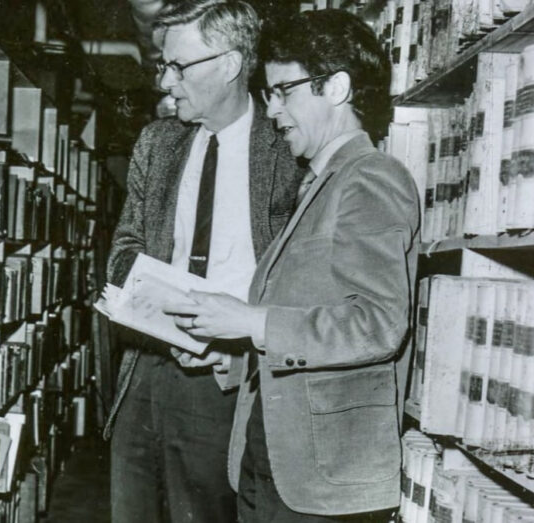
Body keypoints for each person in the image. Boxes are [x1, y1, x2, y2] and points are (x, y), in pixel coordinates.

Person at [164, 9, 420, 521]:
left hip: (323, 478)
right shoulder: (317, 182)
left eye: (285, 91)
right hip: (274, 460)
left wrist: (249, 321)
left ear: (338, 88)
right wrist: (235, 360)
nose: (274, 110)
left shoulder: (370, 178)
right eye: (269, 94)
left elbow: (377, 324)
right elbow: (306, 315)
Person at [102, 1, 302, 522]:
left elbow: (297, 280)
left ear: (231, 64)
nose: (165, 81)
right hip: (146, 372)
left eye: (178, 66)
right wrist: (156, 301)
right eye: (161, 65)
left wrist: (235, 344)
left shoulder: (288, 151)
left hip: (227, 377)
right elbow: (123, 249)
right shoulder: (157, 142)